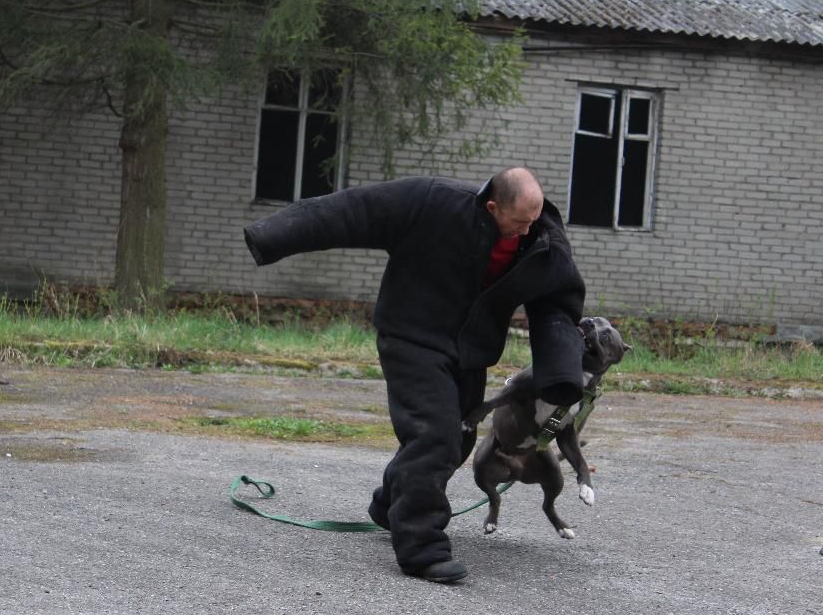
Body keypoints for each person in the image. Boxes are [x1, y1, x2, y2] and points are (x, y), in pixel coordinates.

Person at [243, 167, 585, 583]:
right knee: (434, 435)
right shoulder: (433, 202)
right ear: (492, 206)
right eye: (518, 221)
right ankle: (422, 547)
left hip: (468, 353)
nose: (526, 230)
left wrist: (562, 375)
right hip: (412, 336)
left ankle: (392, 506)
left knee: (458, 439)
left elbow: (557, 305)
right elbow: (351, 212)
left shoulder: (542, 240)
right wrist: (271, 235)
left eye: (533, 220)